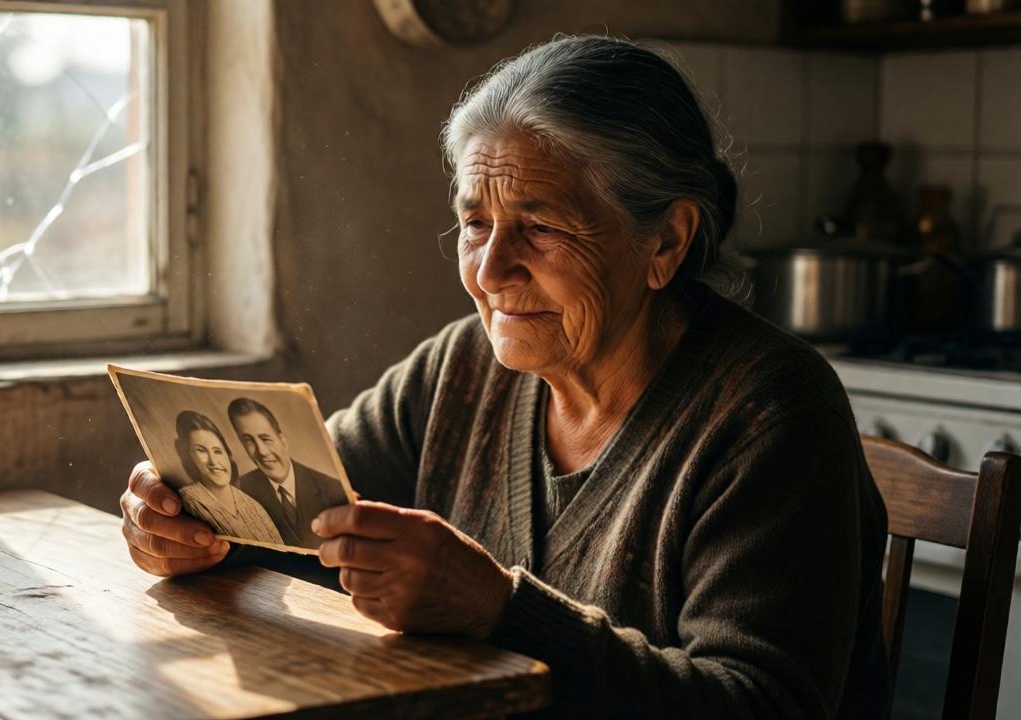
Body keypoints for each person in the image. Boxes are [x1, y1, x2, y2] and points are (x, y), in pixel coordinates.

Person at [119, 35, 888, 717]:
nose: (490, 272)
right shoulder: (462, 367)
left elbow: (764, 702)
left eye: (543, 227)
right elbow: (292, 511)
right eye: (476, 224)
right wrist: (192, 527)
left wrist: (500, 609)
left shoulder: (769, 413)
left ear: (666, 241)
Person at [226, 397, 348, 548]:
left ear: (282, 440)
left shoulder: (333, 488)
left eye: (266, 439)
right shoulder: (238, 492)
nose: (262, 452)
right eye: (248, 441)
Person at [172, 410, 282, 546]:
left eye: (218, 451)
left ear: (228, 455)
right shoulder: (189, 500)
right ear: (190, 457)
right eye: (201, 450)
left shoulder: (252, 505)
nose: (213, 461)